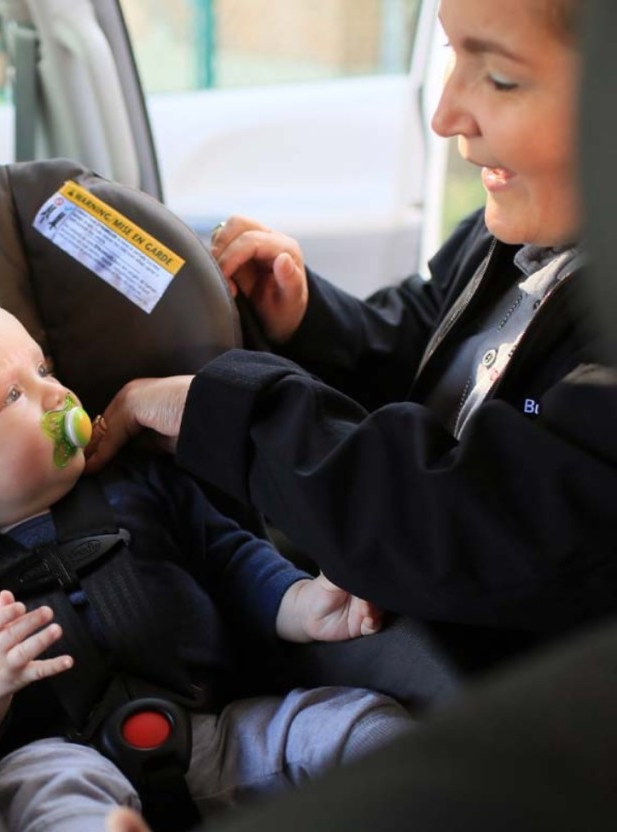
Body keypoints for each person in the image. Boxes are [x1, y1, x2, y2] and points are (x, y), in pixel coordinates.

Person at [86, 0, 616, 648]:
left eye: (500, 79)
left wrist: (227, 413)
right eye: (452, 57)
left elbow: (469, 518)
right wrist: (311, 323)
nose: (444, 115)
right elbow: (431, 346)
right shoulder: (525, 232)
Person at [0, 249, 410, 832]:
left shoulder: (144, 484)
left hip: (215, 728)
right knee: (39, 798)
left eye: (45, 370)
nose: (56, 395)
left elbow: (231, 561)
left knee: (359, 726)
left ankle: (421, 797)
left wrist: (302, 603)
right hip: (60, 756)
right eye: (12, 396)